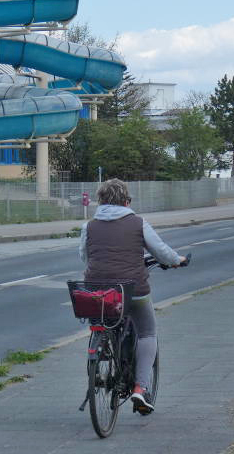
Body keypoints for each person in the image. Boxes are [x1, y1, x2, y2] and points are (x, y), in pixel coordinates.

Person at [78, 178, 185, 415]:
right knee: (147, 333)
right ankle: (139, 388)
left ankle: (103, 349)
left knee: (101, 317)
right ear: (127, 201)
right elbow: (161, 251)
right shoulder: (138, 223)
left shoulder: (89, 226)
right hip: (132, 290)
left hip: (96, 290)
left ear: (101, 201)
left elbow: (85, 256)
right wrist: (177, 260)